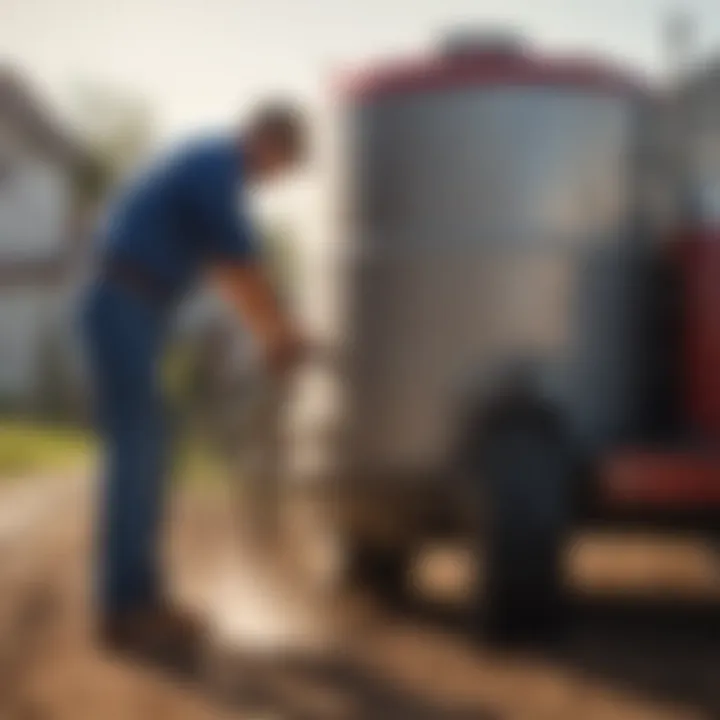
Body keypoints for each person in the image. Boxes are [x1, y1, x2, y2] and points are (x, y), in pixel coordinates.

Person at [81, 102, 307, 666]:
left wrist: (265, 331)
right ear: (265, 139)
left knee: (152, 446)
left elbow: (229, 274)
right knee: (139, 448)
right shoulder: (216, 165)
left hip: (135, 308)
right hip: (123, 303)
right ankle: (125, 607)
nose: (273, 180)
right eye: (280, 166)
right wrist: (279, 334)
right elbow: (242, 263)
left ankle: (142, 598)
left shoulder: (210, 169)